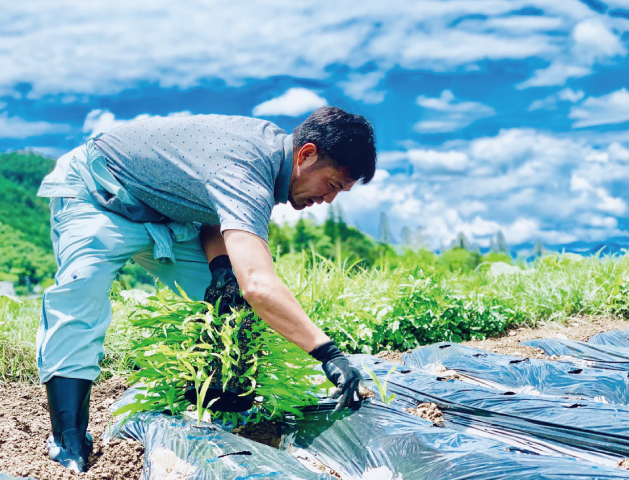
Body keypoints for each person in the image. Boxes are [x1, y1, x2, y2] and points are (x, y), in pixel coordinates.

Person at [36, 106, 377, 472]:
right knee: (81, 292)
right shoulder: (248, 167)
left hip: (166, 215)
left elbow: (215, 207)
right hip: (99, 196)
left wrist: (221, 270)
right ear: (306, 154)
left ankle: (218, 410)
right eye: (331, 185)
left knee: (227, 304)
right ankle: (67, 436)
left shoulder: (268, 157)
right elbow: (259, 286)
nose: (328, 200)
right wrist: (329, 354)